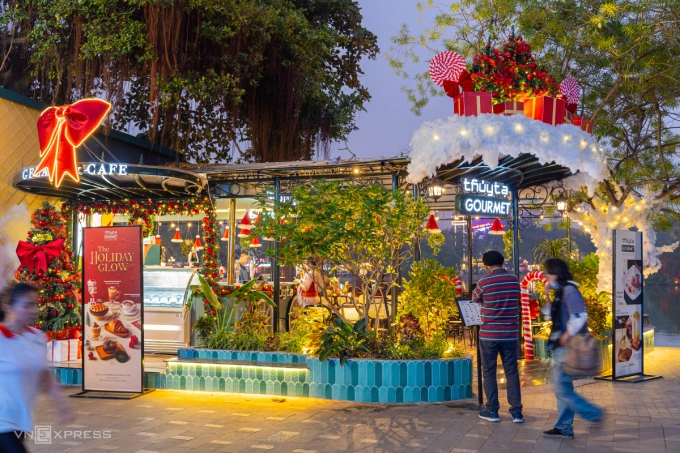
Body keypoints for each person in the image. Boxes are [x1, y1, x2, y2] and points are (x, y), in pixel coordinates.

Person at [0, 283, 72, 453]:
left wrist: (60, 403)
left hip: (21, 419)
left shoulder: (37, 337)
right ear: (8, 307)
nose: (33, 310)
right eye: (26, 305)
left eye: (35, 304)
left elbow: (43, 373)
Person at [542, 258, 603, 439]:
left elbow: (579, 316)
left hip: (568, 347)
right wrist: (546, 296)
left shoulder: (569, 290)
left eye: (547, 272)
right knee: (563, 387)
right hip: (561, 346)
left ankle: (593, 413)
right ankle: (564, 427)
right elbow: (548, 316)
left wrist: (566, 335)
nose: (545, 276)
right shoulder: (560, 292)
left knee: (561, 388)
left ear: (556, 273)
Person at [472, 251, 523, 423]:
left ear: (486, 266)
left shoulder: (484, 282)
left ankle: (492, 410)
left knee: (489, 371)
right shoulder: (514, 280)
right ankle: (516, 412)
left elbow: (475, 300)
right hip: (509, 335)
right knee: (512, 372)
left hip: (489, 335)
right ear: (502, 262)